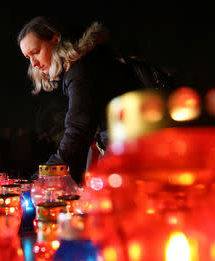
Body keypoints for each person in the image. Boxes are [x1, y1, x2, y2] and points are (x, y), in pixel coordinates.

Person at [18, 16, 144, 185]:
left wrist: (43, 177)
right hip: (135, 150)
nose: (34, 63)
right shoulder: (87, 62)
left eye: (36, 52)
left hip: (133, 156)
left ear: (55, 40)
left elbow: (78, 131)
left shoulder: (80, 71)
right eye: (28, 57)